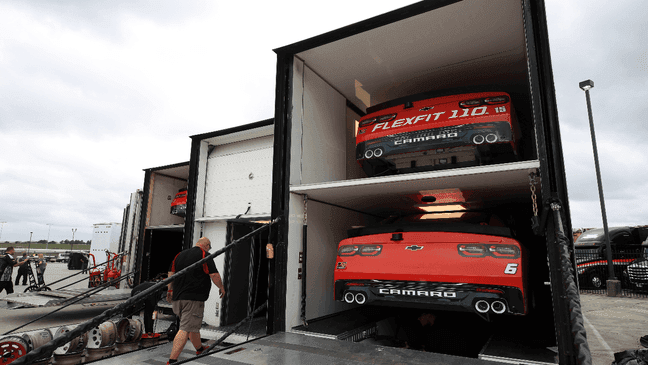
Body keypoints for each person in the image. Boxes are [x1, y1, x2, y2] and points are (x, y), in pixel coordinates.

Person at [166, 237, 225, 364]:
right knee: (185, 328)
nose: (210, 249)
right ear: (206, 245)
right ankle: (172, 360)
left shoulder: (179, 255)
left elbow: (171, 273)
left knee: (192, 326)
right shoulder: (204, 254)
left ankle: (199, 348)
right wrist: (221, 287)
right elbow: (214, 275)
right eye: (210, 246)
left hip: (177, 298)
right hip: (192, 299)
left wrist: (169, 290)